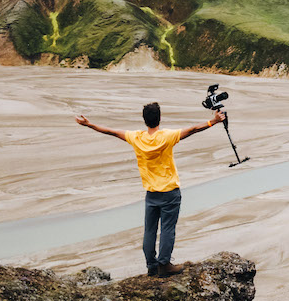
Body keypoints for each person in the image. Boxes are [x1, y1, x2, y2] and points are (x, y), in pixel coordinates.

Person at [75, 101, 226, 276]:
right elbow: (192, 129)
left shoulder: (136, 138)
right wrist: (213, 121)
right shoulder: (166, 136)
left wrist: (89, 124)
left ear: (144, 120)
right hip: (170, 191)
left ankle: (151, 266)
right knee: (168, 229)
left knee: (150, 230)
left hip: (151, 193)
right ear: (159, 118)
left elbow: (110, 131)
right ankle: (164, 265)